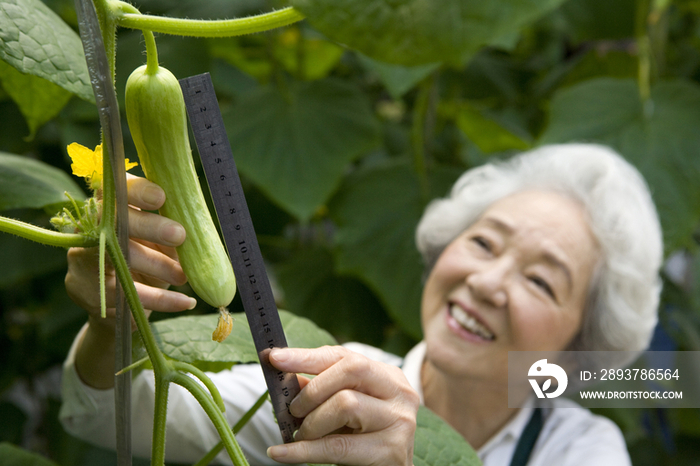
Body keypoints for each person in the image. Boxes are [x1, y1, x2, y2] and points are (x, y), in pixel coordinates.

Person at [59, 143, 663, 466]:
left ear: (582, 343)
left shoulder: (581, 451)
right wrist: (109, 322)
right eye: (482, 242)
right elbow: (107, 412)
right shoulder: (339, 380)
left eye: (541, 281)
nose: (487, 282)